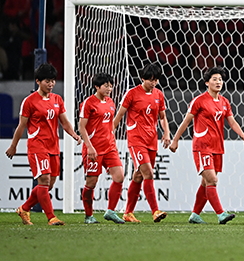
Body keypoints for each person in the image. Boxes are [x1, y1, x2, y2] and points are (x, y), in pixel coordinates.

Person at [169, 67, 244, 224]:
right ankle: (221, 214)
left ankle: (195, 215)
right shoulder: (199, 101)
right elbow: (186, 121)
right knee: (212, 180)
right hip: (202, 146)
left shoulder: (224, 102)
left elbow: (231, 121)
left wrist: (241, 134)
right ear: (207, 82)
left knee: (206, 183)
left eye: (220, 79)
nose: (218, 82)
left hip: (217, 146)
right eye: (214, 79)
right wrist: (175, 140)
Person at [5, 63, 82, 225]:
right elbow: (21, 126)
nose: (51, 84)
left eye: (53, 80)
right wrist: (13, 145)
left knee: (49, 184)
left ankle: (24, 209)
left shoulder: (57, 99)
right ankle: (51, 217)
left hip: (53, 146)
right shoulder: (29, 101)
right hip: (37, 146)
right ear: (38, 81)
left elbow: (64, 122)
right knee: (44, 180)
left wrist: (74, 134)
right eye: (47, 81)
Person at [113, 63, 171, 223]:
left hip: (152, 140)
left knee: (138, 175)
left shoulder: (159, 94)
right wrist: (109, 133)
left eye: (156, 80)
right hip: (136, 140)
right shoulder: (132, 94)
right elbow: (119, 116)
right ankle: (155, 211)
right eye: (150, 80)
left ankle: (128, 213)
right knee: (148, 173)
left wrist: (166, 132)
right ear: (142, 78)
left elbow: (162, 117)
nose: (153, 83)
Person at [78, 73, 126, 224]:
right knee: (91, 183)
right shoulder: (88, 103)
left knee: (119, 177)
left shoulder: (111, 102)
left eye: (111, 85)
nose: (109, 88)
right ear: (97, 86)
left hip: (110, 147)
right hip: (94, 149)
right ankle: (88, 216)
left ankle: (110, 211)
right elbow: (81, 127)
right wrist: (89, 146)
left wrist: (112, 139)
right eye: (106, 85)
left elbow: (109, 125)